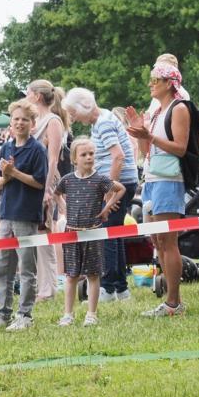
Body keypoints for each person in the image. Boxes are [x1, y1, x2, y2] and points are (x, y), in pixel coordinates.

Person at [125, 62, 191, 316]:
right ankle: (171, 300)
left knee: (167, 240)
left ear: (169, 83)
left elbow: (180, 148)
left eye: (155, 80)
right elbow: (146, 152)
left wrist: (148, 136)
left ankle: (174, 301)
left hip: (169, 180)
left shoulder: (179, 108)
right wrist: (140, 132)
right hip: (152, 178)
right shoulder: (156, 111)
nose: (151, 84)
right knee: (156, 240)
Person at [63, 87, 139, 301]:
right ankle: (121, 288)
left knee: (106, 234)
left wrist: (108, 192)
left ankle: (107, 287)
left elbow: (118, 157)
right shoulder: (103, 119)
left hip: (119, 183)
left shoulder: (103, 123)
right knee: (115, 234)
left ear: (84, 106)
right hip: (124, 181)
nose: (74, 117)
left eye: (74, 112)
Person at [0, 99, 48, 332]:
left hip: (26, 214)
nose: (20, 123)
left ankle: (25, 314)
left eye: (24, 120)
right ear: (11, 123)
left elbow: (39, 183)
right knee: (3, 266)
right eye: (16, 119)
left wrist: (13, 172)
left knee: (26, 268)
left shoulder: (37, 149)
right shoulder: (7, 147)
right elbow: (5, 180)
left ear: (32, 124)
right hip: (6, 213)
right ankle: (2, 313)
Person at [54, 138, 126, 327]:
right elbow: (56, 193)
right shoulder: (68, 180)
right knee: (71, 275)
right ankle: (68, 314)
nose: (88, 157)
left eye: (91, 154)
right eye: (84, 154)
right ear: (74, 159)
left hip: (93, 232)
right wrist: (63, 207)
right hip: (72, 233)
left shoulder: (100, 179)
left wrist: (107, 208)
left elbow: (120, 189)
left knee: (93, 274)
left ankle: (91, 314)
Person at [26, 80, 70, 301]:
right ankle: (38, 285)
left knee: (44, 233)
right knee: (33, 235)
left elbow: (53, 158)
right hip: (31, 183)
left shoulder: (53, 121)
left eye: (27, 93)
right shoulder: (36, 122)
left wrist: (47, 189)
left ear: (36, 96)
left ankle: (49, 288)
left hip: (45, 184)